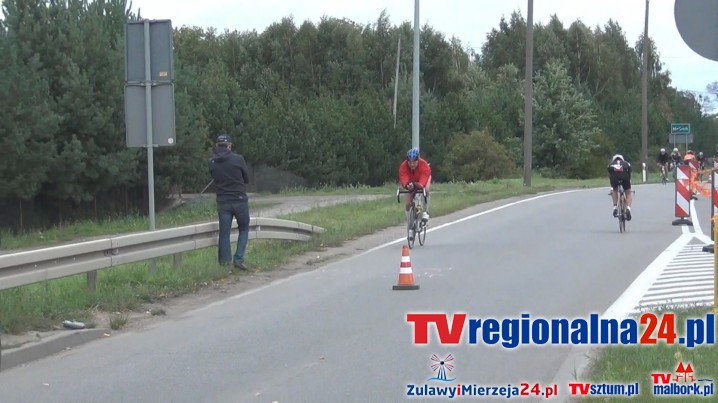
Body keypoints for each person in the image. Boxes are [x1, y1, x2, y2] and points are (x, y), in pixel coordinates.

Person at [208, 133, 251, 270]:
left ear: (217, 146)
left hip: (223, 201)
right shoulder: (238, 159)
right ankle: (238, 259)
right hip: (239, 200)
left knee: (224, 233)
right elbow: (246, 179)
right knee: (243, 229)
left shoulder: (212, 162)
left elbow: (215, 178)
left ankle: (225, 263)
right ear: (229, 145)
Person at [399, 147, 432, 223]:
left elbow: (424, 179)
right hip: (411, 181)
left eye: (414, 162)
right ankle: (409, 221)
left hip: (423, 179)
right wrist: (407, 185)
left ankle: (425, 211)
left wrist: (419, 185)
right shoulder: (403, 166)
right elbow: (403, 177)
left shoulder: (424, 165)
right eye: (410, 162)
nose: (412, 164)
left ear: (418, 160)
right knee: (408, 203)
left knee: (426, 190)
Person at [608, 154, 633, 220]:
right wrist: (629, 184)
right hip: (625, 177)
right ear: (622, 159)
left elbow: (610, 176)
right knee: (628, 193)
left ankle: (615, 207)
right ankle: (628, 208)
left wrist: (612, 187)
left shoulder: (610, 164)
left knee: (614, 190)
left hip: (614, 178)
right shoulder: (627, 163)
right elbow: (629, 174)